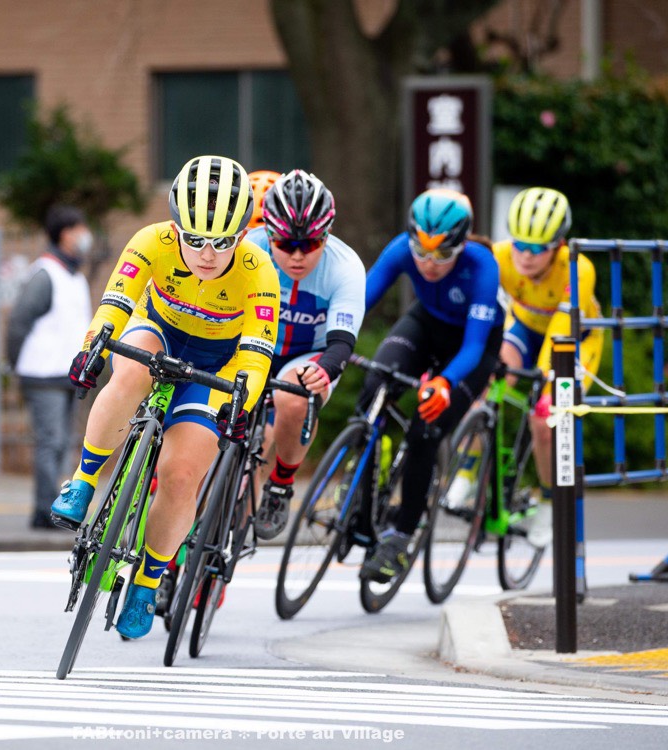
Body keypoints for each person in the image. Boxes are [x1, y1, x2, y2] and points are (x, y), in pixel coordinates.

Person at [49, 155, 280, 639]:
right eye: (195, 239)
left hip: (216, 367)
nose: (208, 253)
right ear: (176, 227)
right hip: (157, 332)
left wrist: (236, 403)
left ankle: (146, 583)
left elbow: (257, 357)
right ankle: (84, 481)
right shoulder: (151, 241)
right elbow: (115, 305)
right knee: (130, 368)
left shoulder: (261, 271)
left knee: (181, 476)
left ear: (243, 233)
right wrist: (93, 347)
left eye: (223, 242)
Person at [358, 188, 504, 584]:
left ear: (460, 245)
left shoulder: (483, 266)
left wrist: (444, 382)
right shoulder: (400, 250)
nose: (428, 264)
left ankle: (401, 539)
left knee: (425, 429)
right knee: (376, 385)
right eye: (420, 252)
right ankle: (367, 482)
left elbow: (474, 346)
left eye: (442, 255)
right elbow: (359, 303)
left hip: (472, 347)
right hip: (426, 323)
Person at [244, 169, 366, 540]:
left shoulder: (345, 268)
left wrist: (325, 371)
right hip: (256, 345)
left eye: (311, 245)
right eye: (285, 243)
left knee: (293, 395)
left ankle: (280, 484)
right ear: (269, 232)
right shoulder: (250, 248)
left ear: (326, 234)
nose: (297, 256)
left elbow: (341, 344)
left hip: (309, 354)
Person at [484, 186, 604, 548]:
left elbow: (559, 331)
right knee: (483, 382)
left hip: (574, 342)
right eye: (520, 244)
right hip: (524, 327)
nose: (526, 255)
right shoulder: (499, 256)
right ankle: (469, 476)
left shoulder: (578, 269)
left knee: (544, 418)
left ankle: (550, 504)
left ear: (559, 245)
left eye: (538, 248)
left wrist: (544, 378)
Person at [6, 205, 94, 530]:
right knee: (50, 441)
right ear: (63, 234)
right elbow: (19, 322)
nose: (84, 235)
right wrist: (17, 363)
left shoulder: (75, 276)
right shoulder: (45, 273)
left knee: (63, 443)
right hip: (42, 373)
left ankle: (55, 506)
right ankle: (44, 511)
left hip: (67, 374)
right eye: (77, 228)